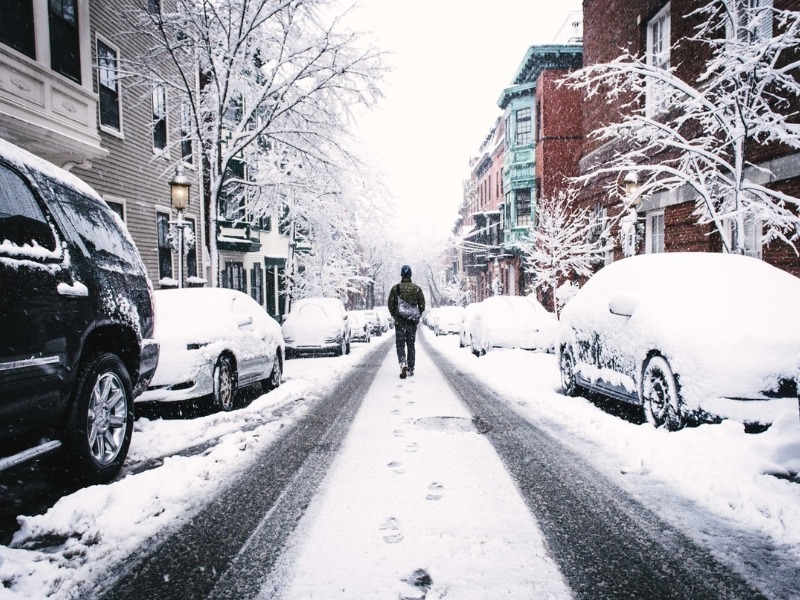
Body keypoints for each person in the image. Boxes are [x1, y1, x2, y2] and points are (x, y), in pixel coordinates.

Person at [388, 264, 426, 379]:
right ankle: (411, 367)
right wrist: (416, 316)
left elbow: (391, 304)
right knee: (411, 345)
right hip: (411, 323)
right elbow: (422, 305)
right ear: (410, 275)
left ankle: (402, 362)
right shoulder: (416, 289)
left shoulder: (396, 288)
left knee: (400, 345)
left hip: (400, 322)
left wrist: (396, 315)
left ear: (401, 274)